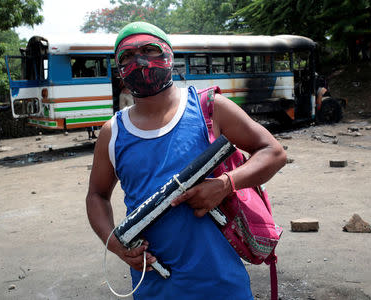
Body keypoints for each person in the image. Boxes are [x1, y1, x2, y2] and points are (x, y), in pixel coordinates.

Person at [86, 22, 287, 299]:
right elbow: (96, 195)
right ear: (119, 70)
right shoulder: (113, 133)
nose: (139, 61)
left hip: (222, 285)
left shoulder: (210, 108)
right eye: (127, 56)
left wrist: (226, 184)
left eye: (149, 49)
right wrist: (117, 245)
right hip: (154, 286)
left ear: (169, 55)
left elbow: (273, 152)